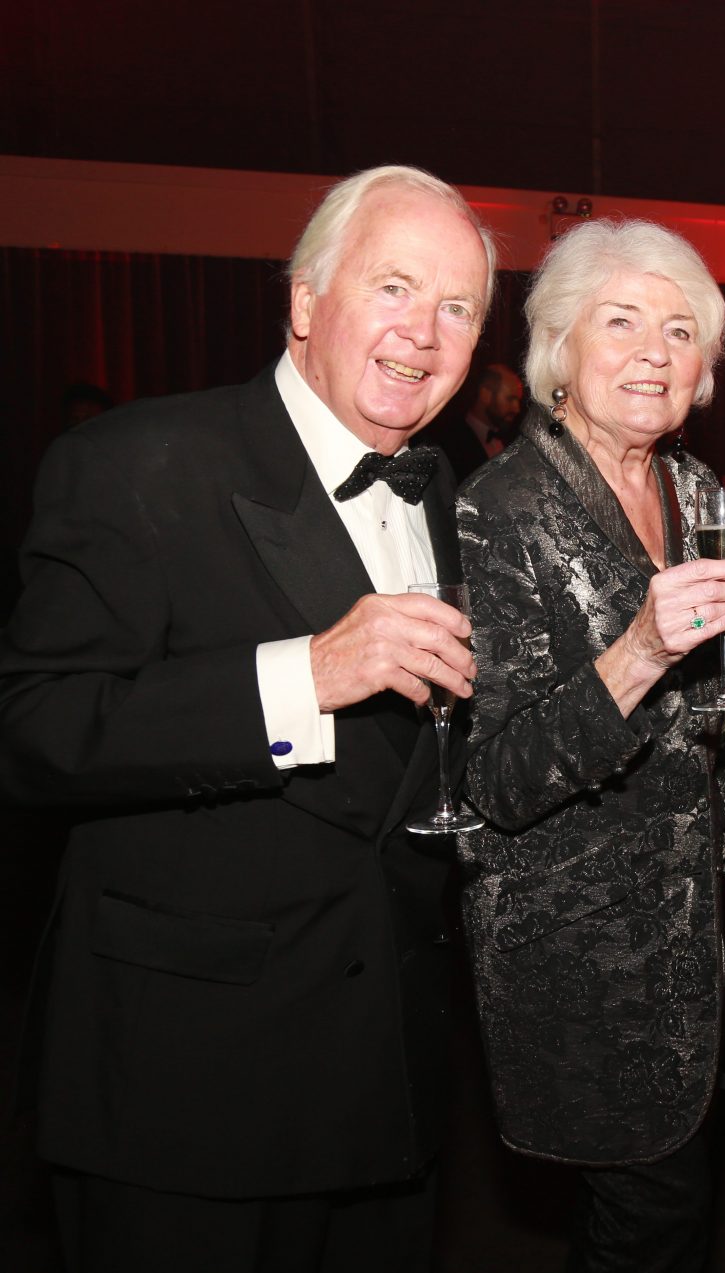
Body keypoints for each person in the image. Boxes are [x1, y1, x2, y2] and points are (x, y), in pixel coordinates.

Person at [0, 165, 494, 1270]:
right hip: (188, 1097)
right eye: (396, 287)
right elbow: (33, 729)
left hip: (389, 1090)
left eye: (458, 307)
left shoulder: (448, 495)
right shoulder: (135, 462)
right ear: (306, 302)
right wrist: (296, 678)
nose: (425, 332)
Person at [455, 218, 725, 1273]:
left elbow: (721, 700)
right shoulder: (499, 510)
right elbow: (495, 779)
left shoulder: (698, 494)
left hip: (690, 935)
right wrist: (639, 647)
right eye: (624, 321)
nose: (656, 349)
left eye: (682, 330)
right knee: (646, 1224)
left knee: (669, 1214)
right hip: (577, 944)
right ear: (560, 347)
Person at [418, 361, 523, 481]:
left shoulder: (513, 440)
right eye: (510, 399)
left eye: (518, 401)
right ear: (485, 395)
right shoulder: (449, 440)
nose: (517, 408)